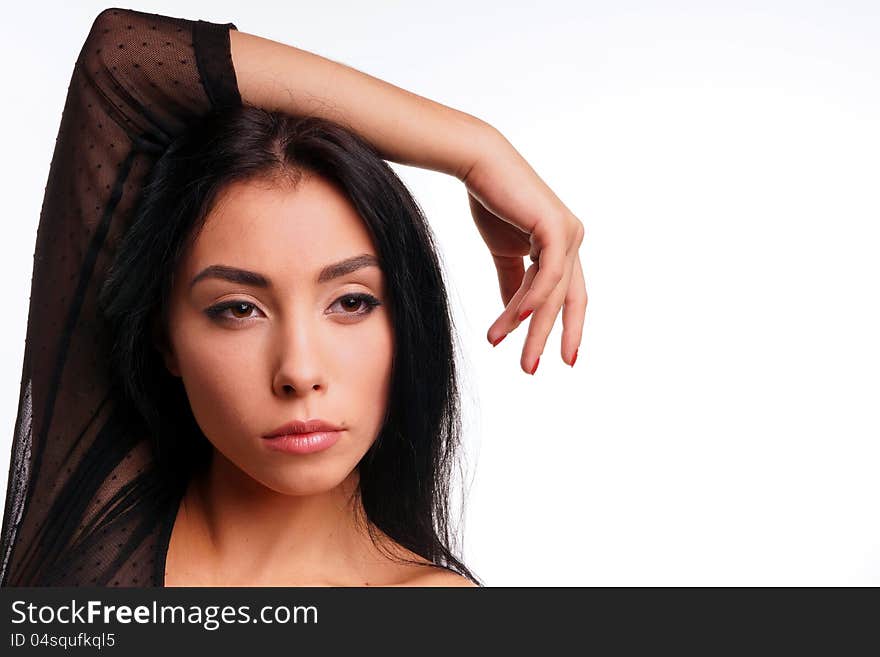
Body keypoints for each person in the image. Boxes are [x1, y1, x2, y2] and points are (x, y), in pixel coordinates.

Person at [0, 7, 585, 586]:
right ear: (166, 339)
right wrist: (474, 151)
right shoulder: (99, 516)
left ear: (408, 323)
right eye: (238, 309)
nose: (299, 372)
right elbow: (123, 57)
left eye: (351, 303)